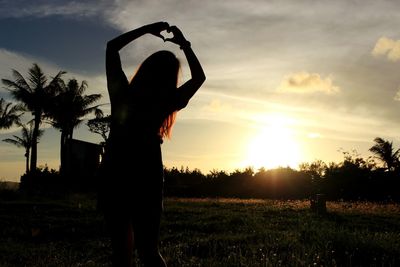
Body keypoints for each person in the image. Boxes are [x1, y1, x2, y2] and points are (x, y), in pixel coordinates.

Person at [98, 22, 206, 267]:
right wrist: (184, 44)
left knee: (121, 253)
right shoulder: (168, 100)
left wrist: (147, 30)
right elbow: (199, 77)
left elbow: (111, 47)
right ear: (170, 79)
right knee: (149, 251)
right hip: (147, 170)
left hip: (115, 168)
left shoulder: (122, 95)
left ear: (145, 70)